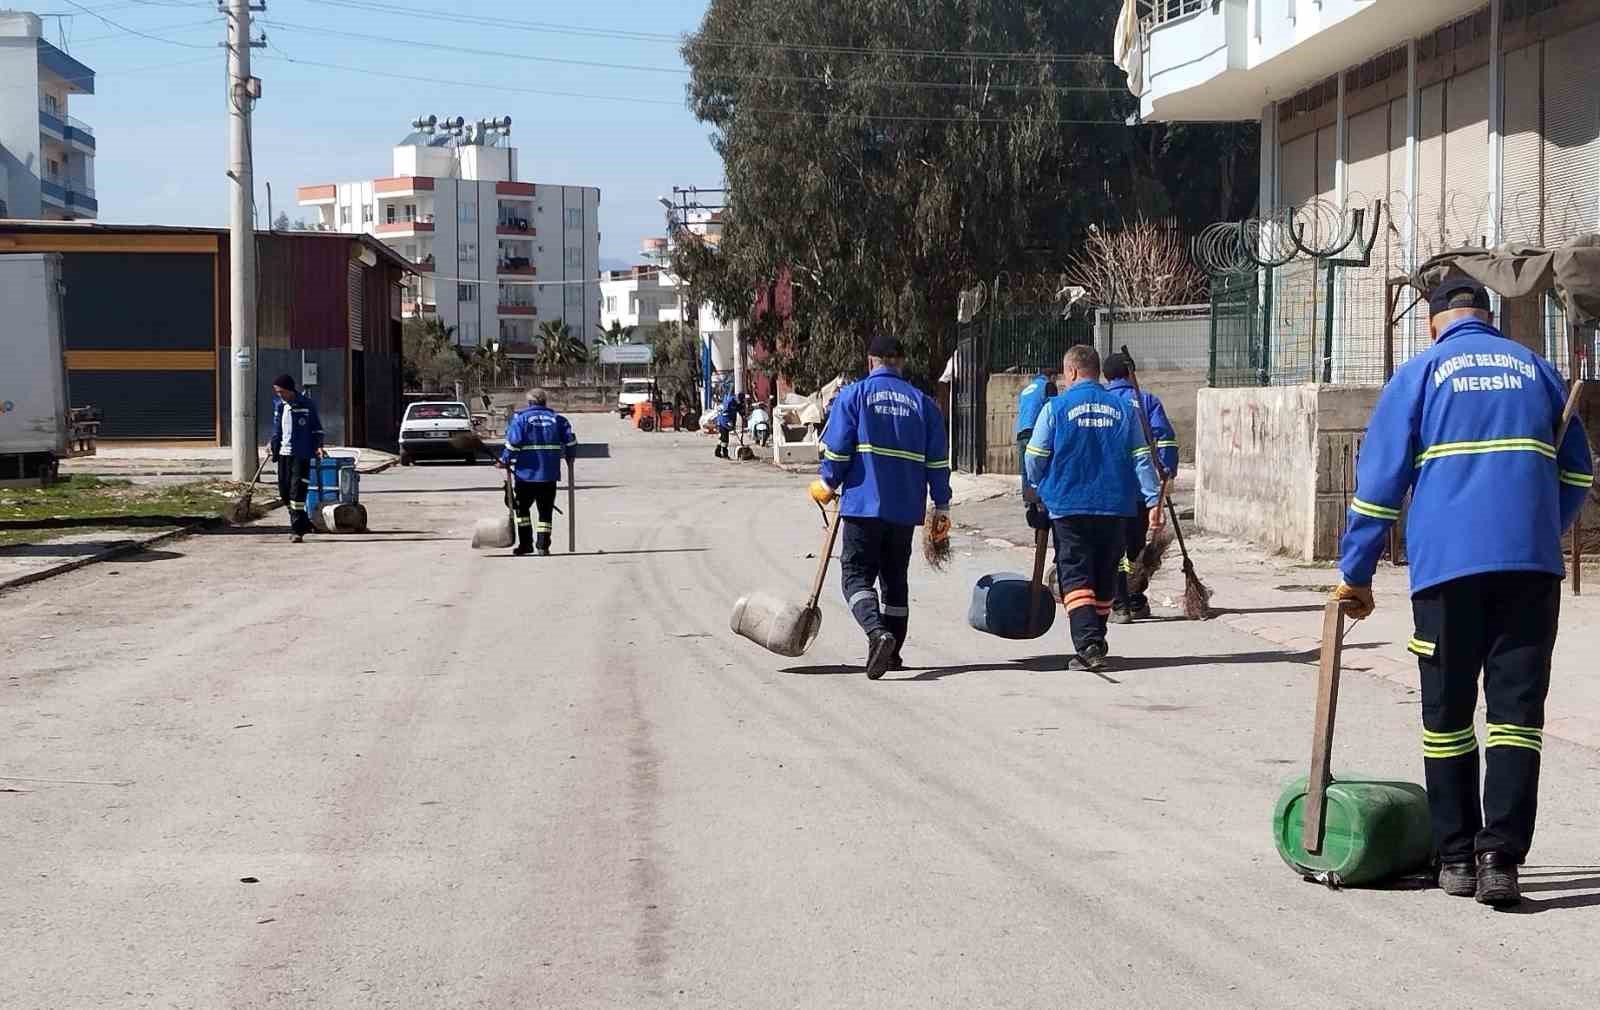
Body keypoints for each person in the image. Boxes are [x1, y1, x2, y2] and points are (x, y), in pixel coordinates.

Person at [1333, 272, 1591, 907]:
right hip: (1530, 572)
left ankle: (1455, 859)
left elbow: (1378, 484)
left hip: (1448, 572)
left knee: (1446, 717)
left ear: (1431, 322)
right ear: (1491, 316)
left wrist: (1356, 572)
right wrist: (1537, 526)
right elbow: (1579, 470)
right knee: (1516, 717)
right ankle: (1500, 857)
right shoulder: (1537, 369)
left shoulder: (1421, 374)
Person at [811, 334, 952, 679]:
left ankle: (878, 634)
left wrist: (827, 484)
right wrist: (942, 506)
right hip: (905, 510)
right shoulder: (924, 404)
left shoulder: (853, 396)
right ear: (900, 363)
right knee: (894, 581)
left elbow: (839, 451)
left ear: (870, 361)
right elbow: (937, 462)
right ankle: (893, 653)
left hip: (862, 506)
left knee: (855, 576)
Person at [1024, 345, 1162, 672]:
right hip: (1116, 506)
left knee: (1075, 573)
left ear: (1071, 372)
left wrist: (1038, 486)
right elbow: (1142, 457)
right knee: (1104, 572)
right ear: (1096, 371)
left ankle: (1088, 642)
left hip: (1068, 506)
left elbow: (1035, 456)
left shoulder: (1055, 407)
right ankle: (1095, 639)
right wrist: (1153, 499)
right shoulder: (1124, 409)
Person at [1103, 351, 1178, 623]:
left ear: (1107, 376)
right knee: (1135, 550)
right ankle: (1133, 598)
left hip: (1111, 492)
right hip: (1142, 493)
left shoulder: (1105, 403)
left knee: (1116, 550)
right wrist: (1166, 472)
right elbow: (1166, 439)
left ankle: (1121, 601)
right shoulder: (1146, 400)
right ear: (1130, 373)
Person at [498, 388, 578, 556]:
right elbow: (570, 441)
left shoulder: (521, 419)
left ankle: (526, 544)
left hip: (525, 474)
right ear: (545, 402)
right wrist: (570, 457)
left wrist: (504, 460)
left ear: (530, 403)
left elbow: (513, 443)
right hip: (549, 475)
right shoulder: (557, 419)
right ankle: (543, 546)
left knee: (522, 511)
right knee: (545, 511)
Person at [269, 374, 324, 544]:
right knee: (284, 493)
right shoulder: (279, 406)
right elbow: (277, 430)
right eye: (277, 392)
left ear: (290, 389)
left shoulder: (306, 404)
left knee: (297, 493)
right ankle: (304, 522)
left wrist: (319, 446)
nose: (279, 394)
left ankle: (297, 530)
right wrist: (272, 443)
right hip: (283, 454)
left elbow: (316, 429)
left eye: (282, 391)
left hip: (301, 454)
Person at [1015, 368, 1057, 492]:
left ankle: (1029, 502)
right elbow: (1053, 408)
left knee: (1025, 470)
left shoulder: (1026, 389)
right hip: (1036, 432)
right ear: (1052, 377)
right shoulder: (1048, 385)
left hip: (1021, 432)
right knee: (1043, 466)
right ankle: (1041, 501)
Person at [715, 391, 741, 459]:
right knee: (725, 439)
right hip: (724, 422)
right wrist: (729, 422)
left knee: (722, 437)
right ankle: (724, 453)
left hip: (723, 422)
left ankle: (717, 451)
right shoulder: (730, 403)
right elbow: (725, 413)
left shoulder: (734, 403)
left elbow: (738, 410)